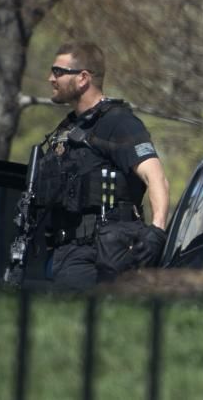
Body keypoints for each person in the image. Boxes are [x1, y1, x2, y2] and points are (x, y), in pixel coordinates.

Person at [35, 42, 169, 289]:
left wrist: (157, 232)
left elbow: (156, 178)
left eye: (58, 71)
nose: (50, 78)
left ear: (83, 78)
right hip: (63, 255)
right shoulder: (68, 129)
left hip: (101, 258)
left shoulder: (118, 122)